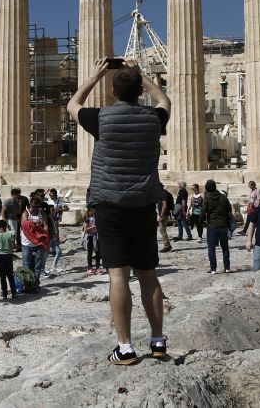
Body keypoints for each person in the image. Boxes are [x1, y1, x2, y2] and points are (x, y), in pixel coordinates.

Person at [68, 56, 169, 365]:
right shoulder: (154, 118)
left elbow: (73, 104)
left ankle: (125, 347)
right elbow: (164, 98)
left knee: (118, 276)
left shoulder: (101, 119)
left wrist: (95, 75)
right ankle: (157, 341)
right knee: (148, 274)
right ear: (139, 91)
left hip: (109, 204)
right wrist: (142, 75)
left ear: (112, 92)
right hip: (142, 203)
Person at [200, 179, 231, 274]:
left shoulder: (207, 198)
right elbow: (229, 210)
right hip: (223, 225)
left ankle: (213, 269)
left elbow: (202, 212)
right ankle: (227, 268)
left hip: (212, 225)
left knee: (211, 247)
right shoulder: (223, 197)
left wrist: (201, 223)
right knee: (225, 247)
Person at [20, 196, 49, 279]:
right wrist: (33, 222)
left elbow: (46, 225)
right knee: (27, 266)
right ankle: (28, 283)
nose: (35, 208)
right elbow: (24, 223)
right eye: (33, 206)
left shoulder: (41, 212)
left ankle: (35, 283)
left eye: (37, 207)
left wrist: (45, 238)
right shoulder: (26, 213)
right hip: (27, 244)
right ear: (30, 205)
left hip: (39, 244)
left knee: (38, 266)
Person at [0, 219, 17, 301]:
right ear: (6, 226)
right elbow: (13, 246)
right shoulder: (10, 234)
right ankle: (14, 292)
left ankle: (4, 293)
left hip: (0, 257)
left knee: (2, 276)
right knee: (10, 275)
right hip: (8, 256)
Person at [83, 206, 102, 274]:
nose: (94, 211)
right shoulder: (87, 219)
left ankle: (97, 267)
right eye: (93, 210)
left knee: (98, 252)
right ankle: (89, 267)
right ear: (90, 211)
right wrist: (93, 227)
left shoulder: (96, 217)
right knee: (90, 252)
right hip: (90, 236)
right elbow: (85, 229)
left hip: (96, 236)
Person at [157, 186, 174, 253]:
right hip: (165, 213)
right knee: (163, 230)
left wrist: (161, 215)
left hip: (164, 214)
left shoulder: (163, 193)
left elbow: (164, 205)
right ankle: (167, 245)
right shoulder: (164, 193)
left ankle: (167, 246)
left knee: (162, 230)